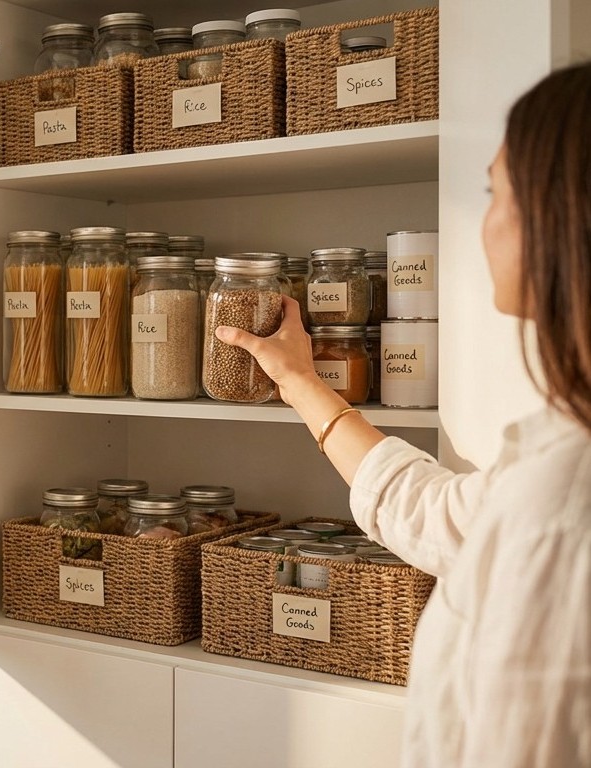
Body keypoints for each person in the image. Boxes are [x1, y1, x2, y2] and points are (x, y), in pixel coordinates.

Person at [217, 62, 591, 767]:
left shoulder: (564, 500)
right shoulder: (556, 458)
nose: (482, 221)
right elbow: (435, 512)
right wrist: (299, 380)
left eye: (493, 192)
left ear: (557, 218)